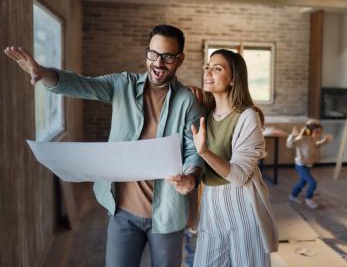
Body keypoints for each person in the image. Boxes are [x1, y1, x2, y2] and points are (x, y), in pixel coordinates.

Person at [4, 24, 204, 267]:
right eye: (153, 53)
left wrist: (191, 178)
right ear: (146, 53)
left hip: (168, 215)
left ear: (180, 59)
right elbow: (81, 84)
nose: (158, 63)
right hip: (122, 213)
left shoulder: (188, 101)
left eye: (168, 56)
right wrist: (42, 72)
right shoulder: (123, 85)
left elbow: (194, 149)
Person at [190, 49, 278, 266]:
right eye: (208, 66)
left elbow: (239, 176)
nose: (208, 71)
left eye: (217, 68)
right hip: (211, 205)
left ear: (233, 79)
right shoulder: (205, 115)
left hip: (242, 206)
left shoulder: (248, 117)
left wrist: (204, 152)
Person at [287, 119, 332, 209]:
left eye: (320, 132)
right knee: (312, 183)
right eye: (317, 132)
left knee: (303, 182)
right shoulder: (301, 139)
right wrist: (292, 136)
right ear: (310, 131)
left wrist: (324, 141)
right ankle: (309, 198)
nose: (318, 134)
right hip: (300, 165)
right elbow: (290, 145)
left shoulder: (312, 139)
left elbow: (315, 145)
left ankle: (293, 195)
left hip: (307, 165)